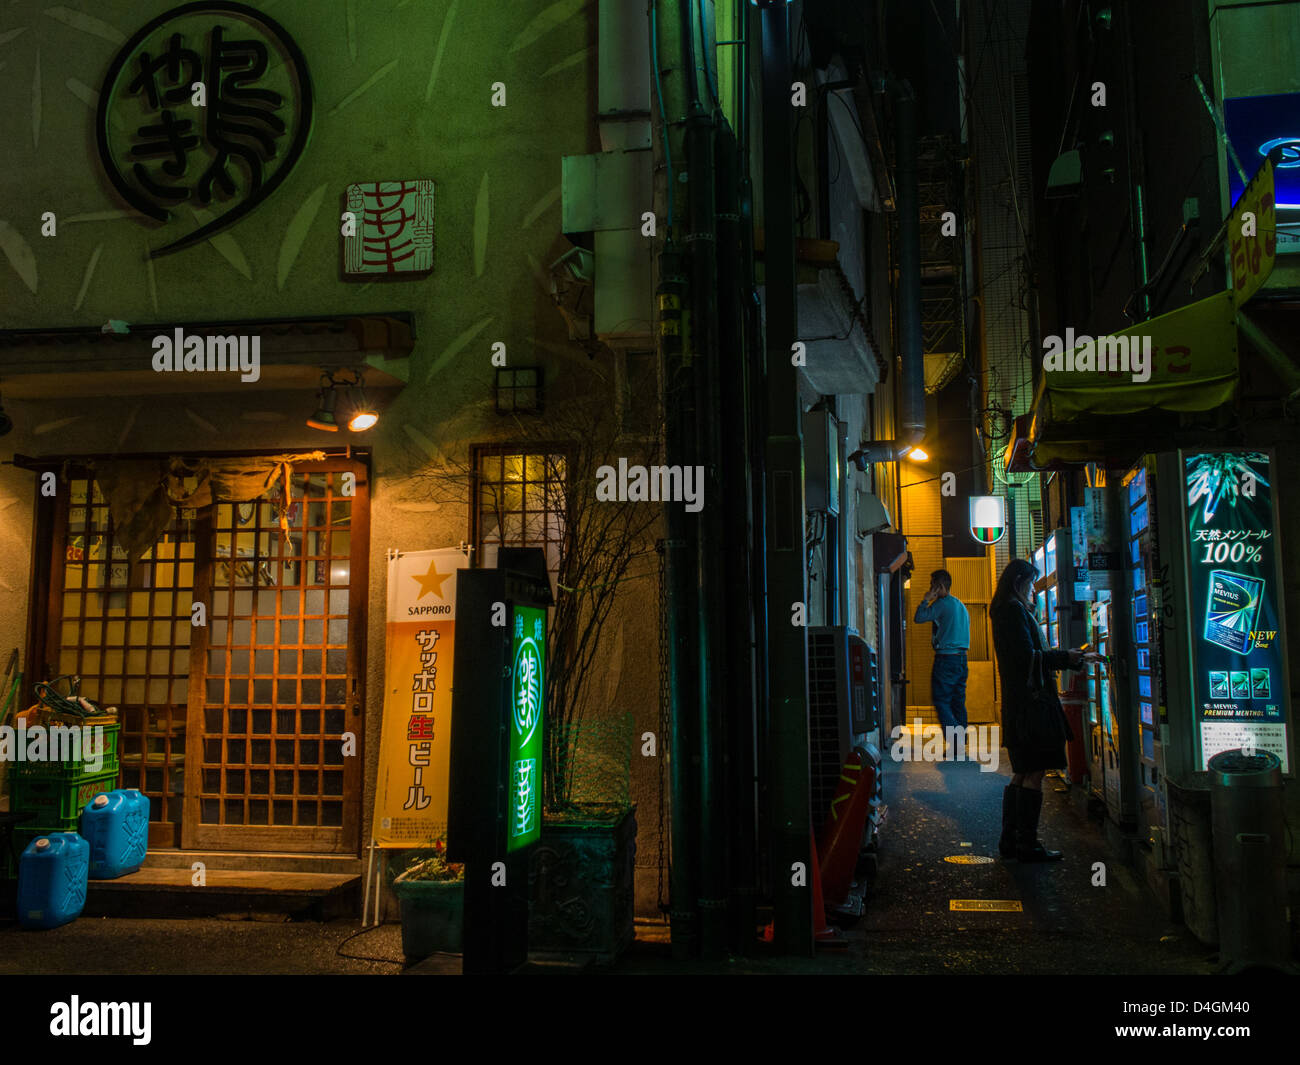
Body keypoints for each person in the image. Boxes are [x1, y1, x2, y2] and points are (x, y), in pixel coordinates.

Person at [990, 558, 1103, 862]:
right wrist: (1067, 656)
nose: (1033, 590)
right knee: (1034, 772)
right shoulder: (1013, 611)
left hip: (1019, 703)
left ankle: (1011, 841)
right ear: (1018, 583)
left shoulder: (1005, 610)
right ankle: (1027, 844)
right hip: (1032, 706)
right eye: (1030, 584)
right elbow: (1027, 657)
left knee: (1022, 771)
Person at [913, 569, 970, 742]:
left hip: (946, 659)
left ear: (939, 586)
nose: (930, 588)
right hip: (962, 658)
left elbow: (919, 617)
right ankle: (961, 740)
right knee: (957, 701)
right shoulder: (960, 605)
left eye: (932, 585)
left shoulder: (941, 603)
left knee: (941, 700)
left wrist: (925, 599)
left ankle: (956, 740)